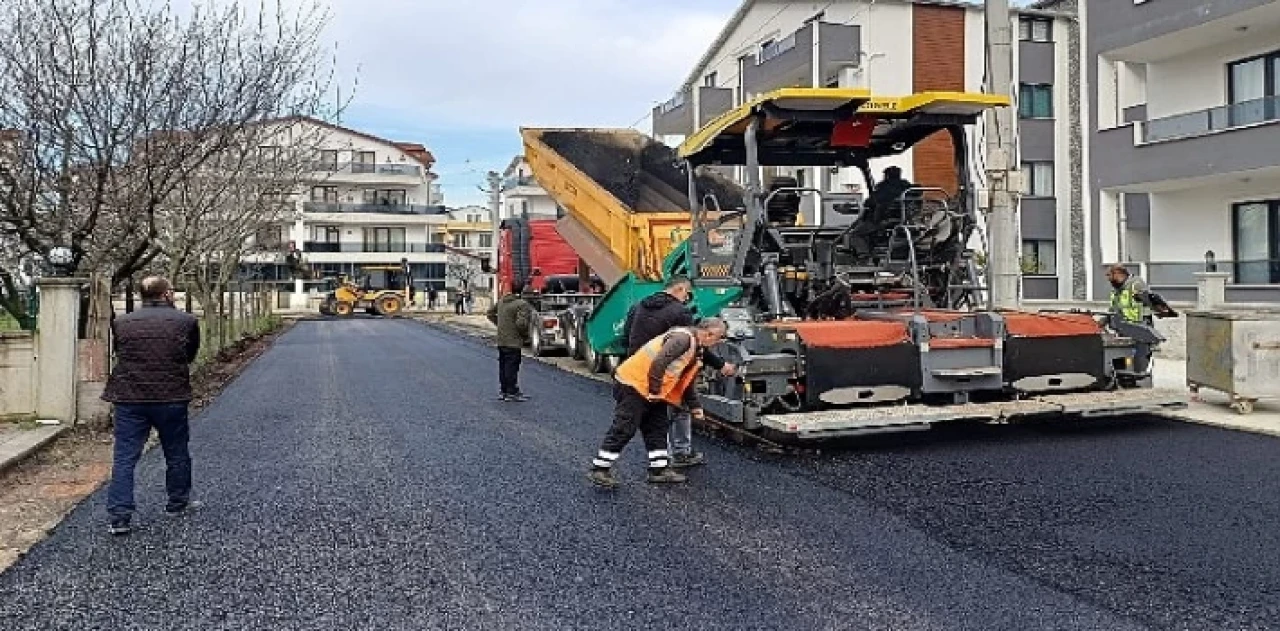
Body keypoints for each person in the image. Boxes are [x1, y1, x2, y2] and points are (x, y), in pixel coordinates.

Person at [101, 276, 201, 536]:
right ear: (167, 294)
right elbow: (189, 355)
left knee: (124, 457)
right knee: (176, 451)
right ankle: (177, 503)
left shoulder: (121, 323)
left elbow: (121, 353)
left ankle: (119, 516)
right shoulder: (186, 321)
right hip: (170, 396)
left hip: (130, 398)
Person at [589, 318, 728, 488]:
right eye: (719, 337)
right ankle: (600, 468)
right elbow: (659, 362)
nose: (718, 342)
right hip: (633, 384)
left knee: (657, 426)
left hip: (652, 390)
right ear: (709, 333)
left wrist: (695, 406)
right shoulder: (683, 340)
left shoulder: (696, 347)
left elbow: (685, 381)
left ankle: (659, 469)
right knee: (625, 427)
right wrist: (655, 391)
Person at [623, 276, 735, 468]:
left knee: (649, 416)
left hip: (637, 370)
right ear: (680, 289)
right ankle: (680, 453)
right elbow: (695, 345)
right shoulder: (680, 312)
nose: (688, 298)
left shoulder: (639, 305)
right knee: (678, 409)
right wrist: (721, 365)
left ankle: (660, 458)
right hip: (665, 371)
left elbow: (626, 335)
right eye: (688, 294)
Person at [849, 166, 915, 261]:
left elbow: (869, 203)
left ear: (887, 176)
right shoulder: (907, 189)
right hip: (902, 219)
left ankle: (864, 255)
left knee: (855, 234)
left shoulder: (883, 189)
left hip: (882, 221)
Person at [487, 280, 534, 402]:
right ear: (522, 290)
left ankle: (504, 391)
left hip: (501, 340)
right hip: (513, 341)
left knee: (503, 366)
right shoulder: (522, 304)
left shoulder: (502, 301)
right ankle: (512, 392)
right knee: (512, 367)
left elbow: (490, 313)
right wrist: (525, 335)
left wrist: (500, 325)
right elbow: (521, 323)